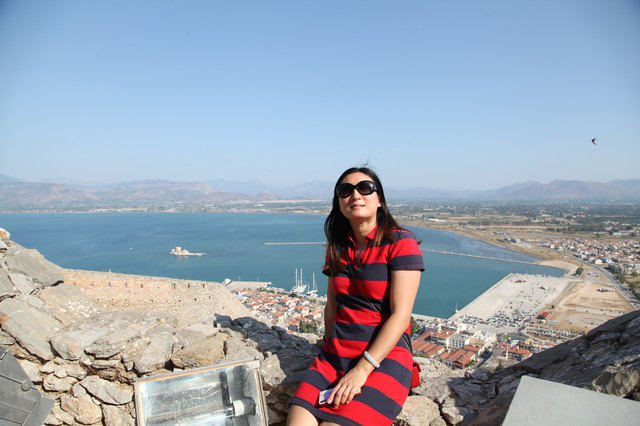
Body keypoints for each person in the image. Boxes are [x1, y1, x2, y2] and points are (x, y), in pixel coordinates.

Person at [288, 167, 424, 426]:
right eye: (345, 190)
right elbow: (332, 306)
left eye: (365, 188)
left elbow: (401, 316)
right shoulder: (337, 247)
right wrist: (327, 342)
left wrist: (362, 370)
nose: (355, 195)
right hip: (335, 356)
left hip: (383, 358)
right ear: (339, 204)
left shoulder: (401, 244)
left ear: (379, 199)